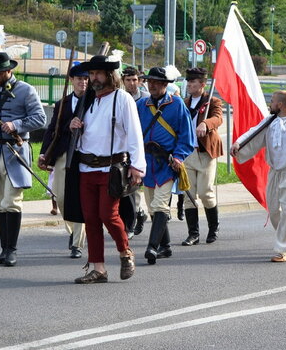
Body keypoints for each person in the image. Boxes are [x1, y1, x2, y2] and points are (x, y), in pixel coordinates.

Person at [64, 55, 145, 284]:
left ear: (110, 75)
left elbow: (134, 133)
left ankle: (125, 252)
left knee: (108, 215)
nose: (93, 78)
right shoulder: (88, 100)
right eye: (91, 74)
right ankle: (98, 267)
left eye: (98, 73)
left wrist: (137, 166)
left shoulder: (122, 99)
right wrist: (73, 127)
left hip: (111, 168)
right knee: (90, 218)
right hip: (86, 168)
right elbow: (84, 136)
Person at [0, 52, 47, 267]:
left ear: (9, 70)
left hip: (15, 151)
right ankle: (3, 250)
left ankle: (11, 250)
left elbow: (40, 118)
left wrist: (16, 125)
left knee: (12, 202)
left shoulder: (26, 90)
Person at [231, 90, 286, 262]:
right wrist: (238, 144)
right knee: (274, 211)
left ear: (279, 105)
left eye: (272, 101)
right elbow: (253, 134)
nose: (270, 104)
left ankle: (282, 250)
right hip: (274, 172)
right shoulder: (269, 122)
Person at [137, 66, 195, 265]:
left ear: (165, 84)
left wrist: (179, 156)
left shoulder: (177, 104)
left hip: (167, 163)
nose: (151, 85)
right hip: (147, 163)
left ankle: (152, 247)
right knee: (152, 207)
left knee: (160, 204)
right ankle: (166, 246)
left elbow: (187, 135)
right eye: (149, 81)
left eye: (156, 82)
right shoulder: (141, 105)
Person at [38, 64, 88, 259]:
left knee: (80, 198)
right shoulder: (62, 103)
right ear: (72, 80)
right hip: (63, 153)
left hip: (85, 153)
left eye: (85, 78)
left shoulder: (93, 101)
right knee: (59, 196)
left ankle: (77, 242)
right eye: (79, 79)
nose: (83, 82)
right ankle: (73, 231)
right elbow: (52, 130)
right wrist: (44, 153)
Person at [181, 67, 224, 246]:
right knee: (189, 195)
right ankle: (193, 234)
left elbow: (218, 118)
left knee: (205, 192)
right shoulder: (184, 102)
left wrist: (206, 124)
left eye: (193, 82)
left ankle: (213, 227)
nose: (189, 84)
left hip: (205, 152)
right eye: (188, 82)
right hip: (187, 153)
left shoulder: (212, 101)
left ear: (202, 84)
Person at [120, 67, 151, 237]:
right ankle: (137, 214)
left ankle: (131, 222)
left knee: (135, 186)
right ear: (123, 81)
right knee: (125, 186)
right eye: (128, 80)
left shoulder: (146, 99)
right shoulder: (119, 98)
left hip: (140, 146)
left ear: (139, 81)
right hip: (122, 148)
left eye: (135, 80)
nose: (132, 83)